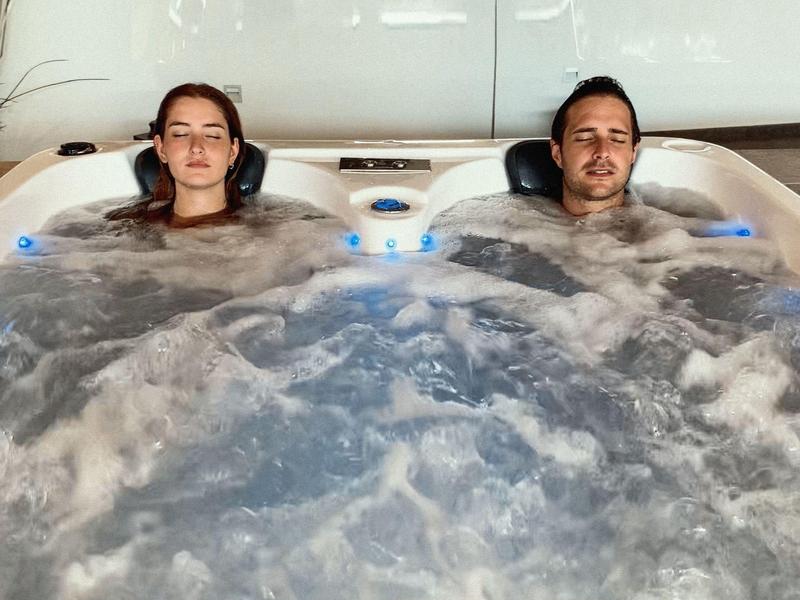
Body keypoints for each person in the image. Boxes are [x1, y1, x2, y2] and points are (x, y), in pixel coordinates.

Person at [110, 83, 245, 226]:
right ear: (161, 148)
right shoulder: (123, 227)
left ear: (233, 151)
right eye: (180, 134)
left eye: (212, 136)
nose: (196, 148)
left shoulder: (265, 230)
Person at [549, 76, 641, 216]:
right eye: (584, 138)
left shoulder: (668, 229)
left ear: (633, 152)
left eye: (617, 140)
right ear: (557, 153)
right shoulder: (517, 227)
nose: (602, 152)